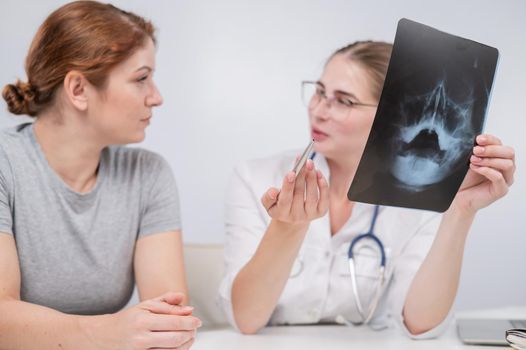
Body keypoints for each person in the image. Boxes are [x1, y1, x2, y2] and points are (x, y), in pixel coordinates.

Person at [218, 41, 516, 337]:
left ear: (391, 115)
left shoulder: (417, 197)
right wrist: (287, 227)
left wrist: (459, 212)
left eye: (344, 101)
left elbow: (420, 324)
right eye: (320, 92)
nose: (319, 110)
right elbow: (246, 319)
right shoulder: (253, 178)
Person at [0, 2, 200, 349]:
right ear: (78, 90)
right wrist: (108, 333)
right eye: (141, 79)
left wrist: (162, 331)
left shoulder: (148, 175)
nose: (157, 97)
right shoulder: (6, 164)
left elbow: (170, 322)